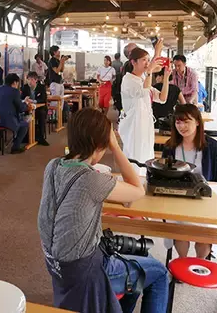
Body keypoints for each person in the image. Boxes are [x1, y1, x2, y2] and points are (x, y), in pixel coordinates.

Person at [38, 108, 168, 313]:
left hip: (56, 266)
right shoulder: (92, 180)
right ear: (100, 145)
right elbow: (137, 190)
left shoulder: (52, 166)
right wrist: (116, 147)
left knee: (136, 271)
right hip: (86, 272)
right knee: (159, 272)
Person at [162, 104, 217, 259]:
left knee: (204, 235)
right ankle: (182, 262)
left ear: (197, 122)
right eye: (178, 122)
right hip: (177, 200)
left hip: (205, 201)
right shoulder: (170, 146)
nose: (181, 126)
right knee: (180, 232)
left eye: (186, 121)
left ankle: (200, 263)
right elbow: (163, 176)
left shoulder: (213, 147)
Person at [118, 47, 170, 163]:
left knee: (146, 156)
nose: (147, 63)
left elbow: (162, 98)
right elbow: (144, 91)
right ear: (133, 62)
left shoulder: (143, 79)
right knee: (136, 157)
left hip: (146, 124)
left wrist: (166, 77)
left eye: (148, 60)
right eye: (144, 60)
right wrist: (150, 71)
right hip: (134, 126)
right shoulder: (128, 80)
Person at [0, 73, 32, 154]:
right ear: (15, 82)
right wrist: (26, 104)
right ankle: (15, 147)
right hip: (6, 120)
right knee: (24, 125)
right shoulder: (15, 91)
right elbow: (21, 108)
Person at [21, 71, 48, 146]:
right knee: (22, 115)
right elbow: (21, 98)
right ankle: (25, 137)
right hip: (28, 108)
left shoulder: (41, 87)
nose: (30, 82)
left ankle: (41, 137)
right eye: (28, 79)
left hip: (39, 108)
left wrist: (33, 101)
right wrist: (25, 100)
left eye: (32, 79)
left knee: (42, 114)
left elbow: (43, 99)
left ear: (36, 80)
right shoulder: (25, 87)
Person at [47, 45, 69, 111]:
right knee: (55, 102)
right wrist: (61, 61)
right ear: (54, 52)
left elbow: (61, 70)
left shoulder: (57, 60)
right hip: (54, 83)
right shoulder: (52, 60)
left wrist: (63, 61)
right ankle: (53, 116)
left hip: (60, 82)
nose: (59, 52)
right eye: (58, 51)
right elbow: (56, 71)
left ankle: (60, 115)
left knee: (61, 101)